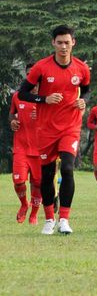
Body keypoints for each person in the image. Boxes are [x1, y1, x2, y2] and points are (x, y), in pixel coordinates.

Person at [18, 25, 90, 235]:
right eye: (59, 42)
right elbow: (22, 94)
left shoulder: (81, 68)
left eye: (67, 42)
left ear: (73, 43)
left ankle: (64, 220)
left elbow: (86, 91)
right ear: (53, 43)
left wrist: (83, 102)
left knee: (67, 169)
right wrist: (44, 99)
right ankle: (49, 219)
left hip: (70, 127)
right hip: (46, 129)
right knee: (46, 176)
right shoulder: (41, 67)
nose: (63, 46)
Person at [9, 86, 42, 225]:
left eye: (37, 83)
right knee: (18, 181)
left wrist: (42, 116)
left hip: (41, 149)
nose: (34, 86)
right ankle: (24, 204)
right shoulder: (18, 96)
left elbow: (56, 119)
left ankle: (34, 214)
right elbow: (12, 114)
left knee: (38, 185)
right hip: (21, 147)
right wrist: (12, 121)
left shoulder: (47, 98)